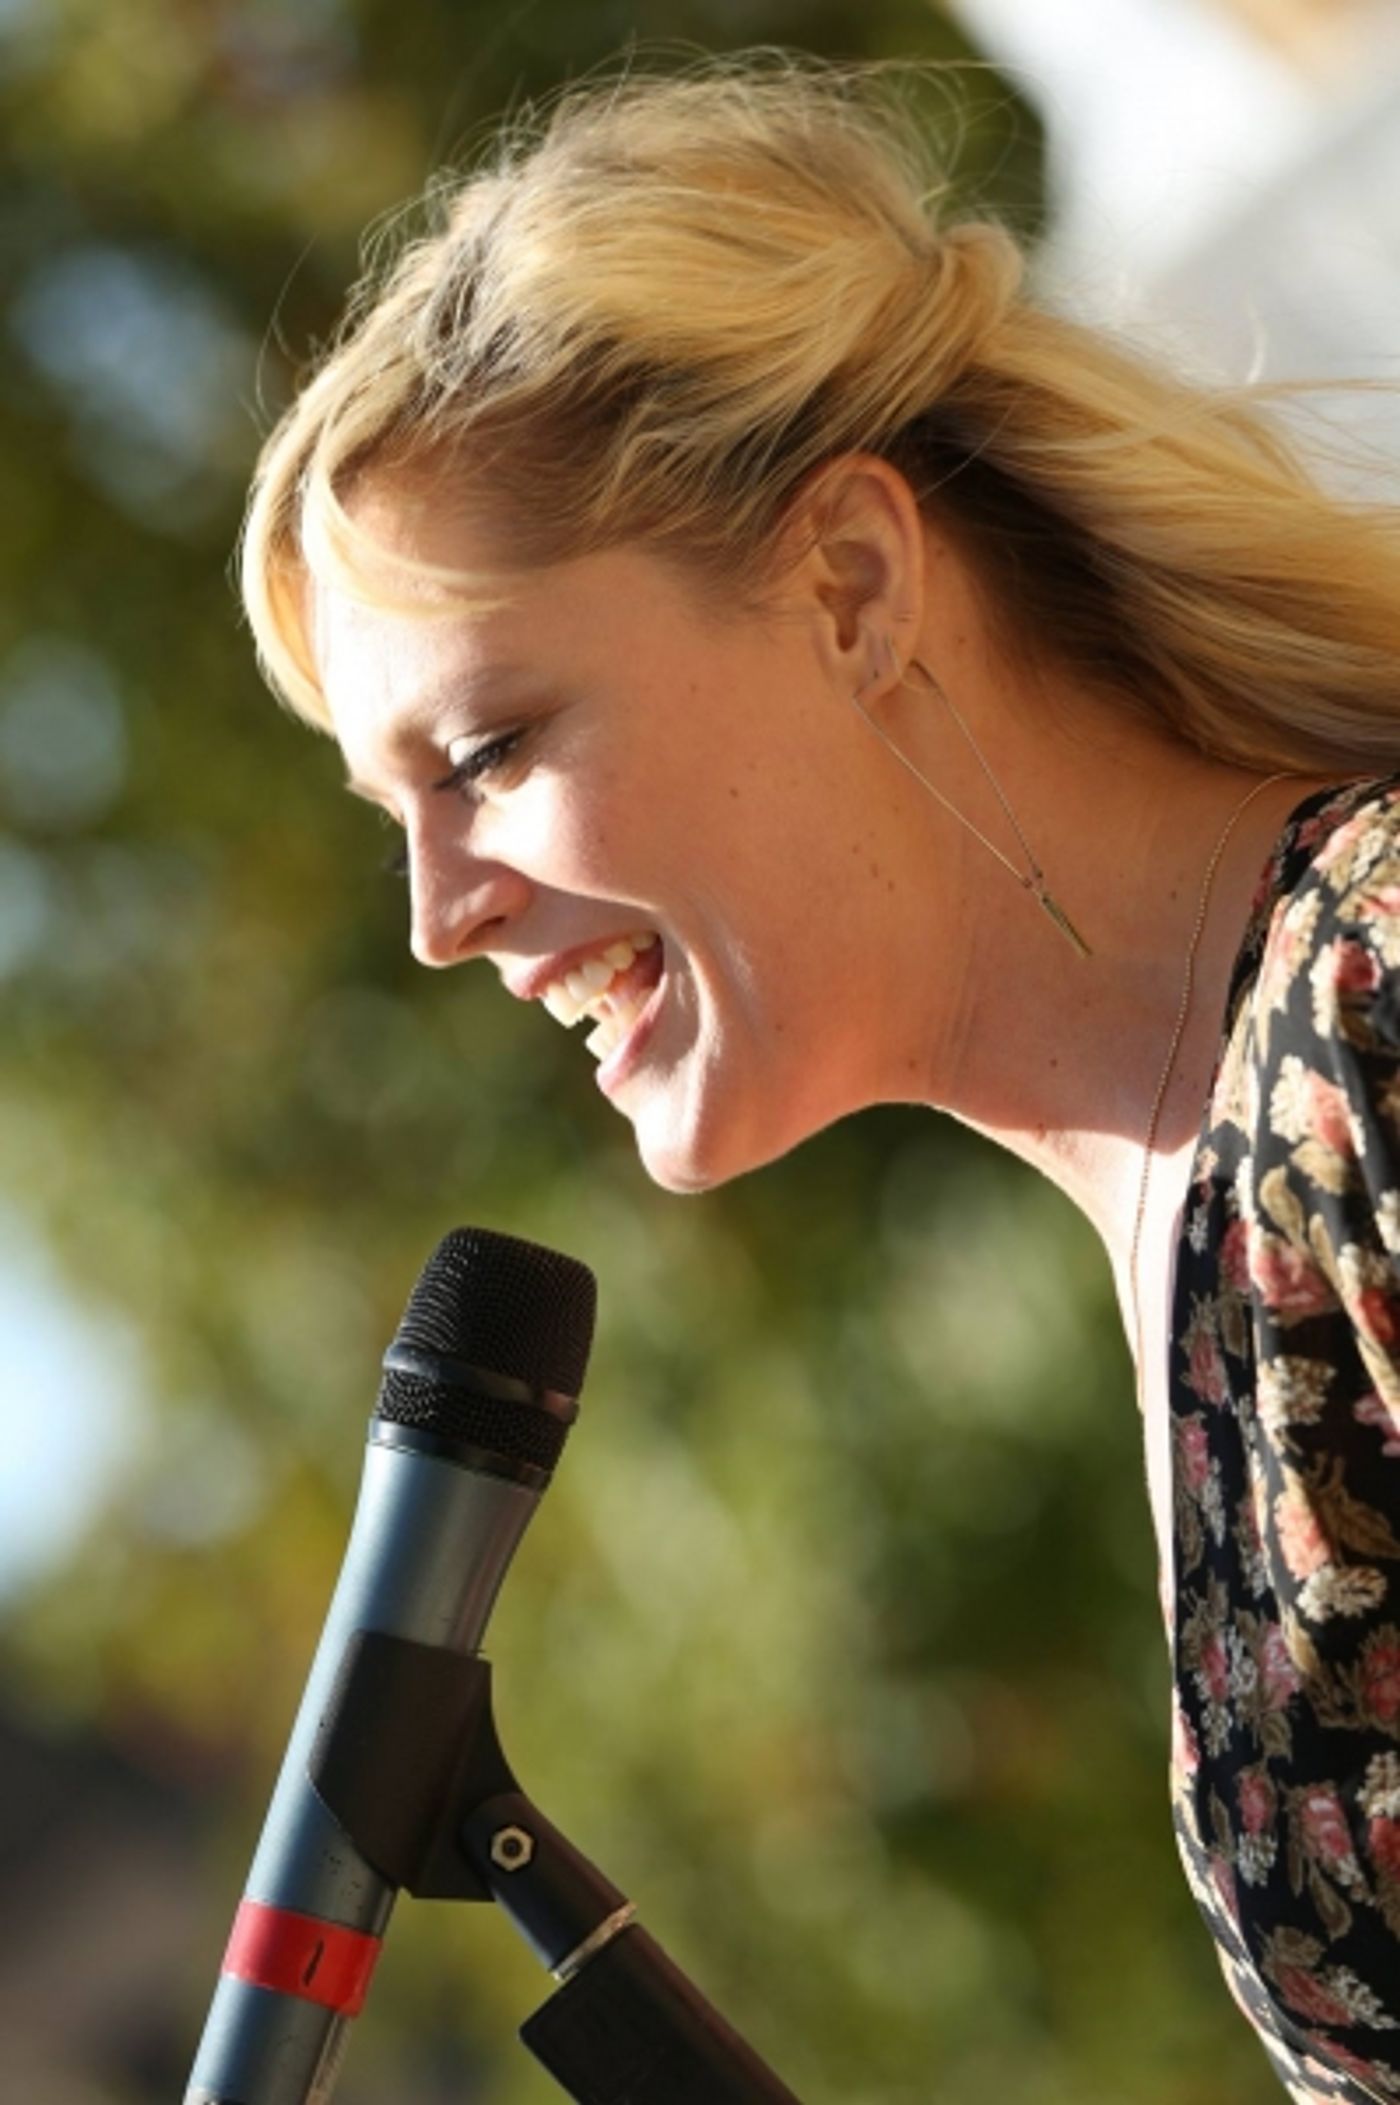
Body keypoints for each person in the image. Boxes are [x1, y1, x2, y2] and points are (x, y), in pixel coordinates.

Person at [237, 55, 1400, 2102]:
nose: (434, 919)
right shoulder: (1198, 1208)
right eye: (389, 812)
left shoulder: (1371, 1008)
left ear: (849, 585)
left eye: (488, 751)